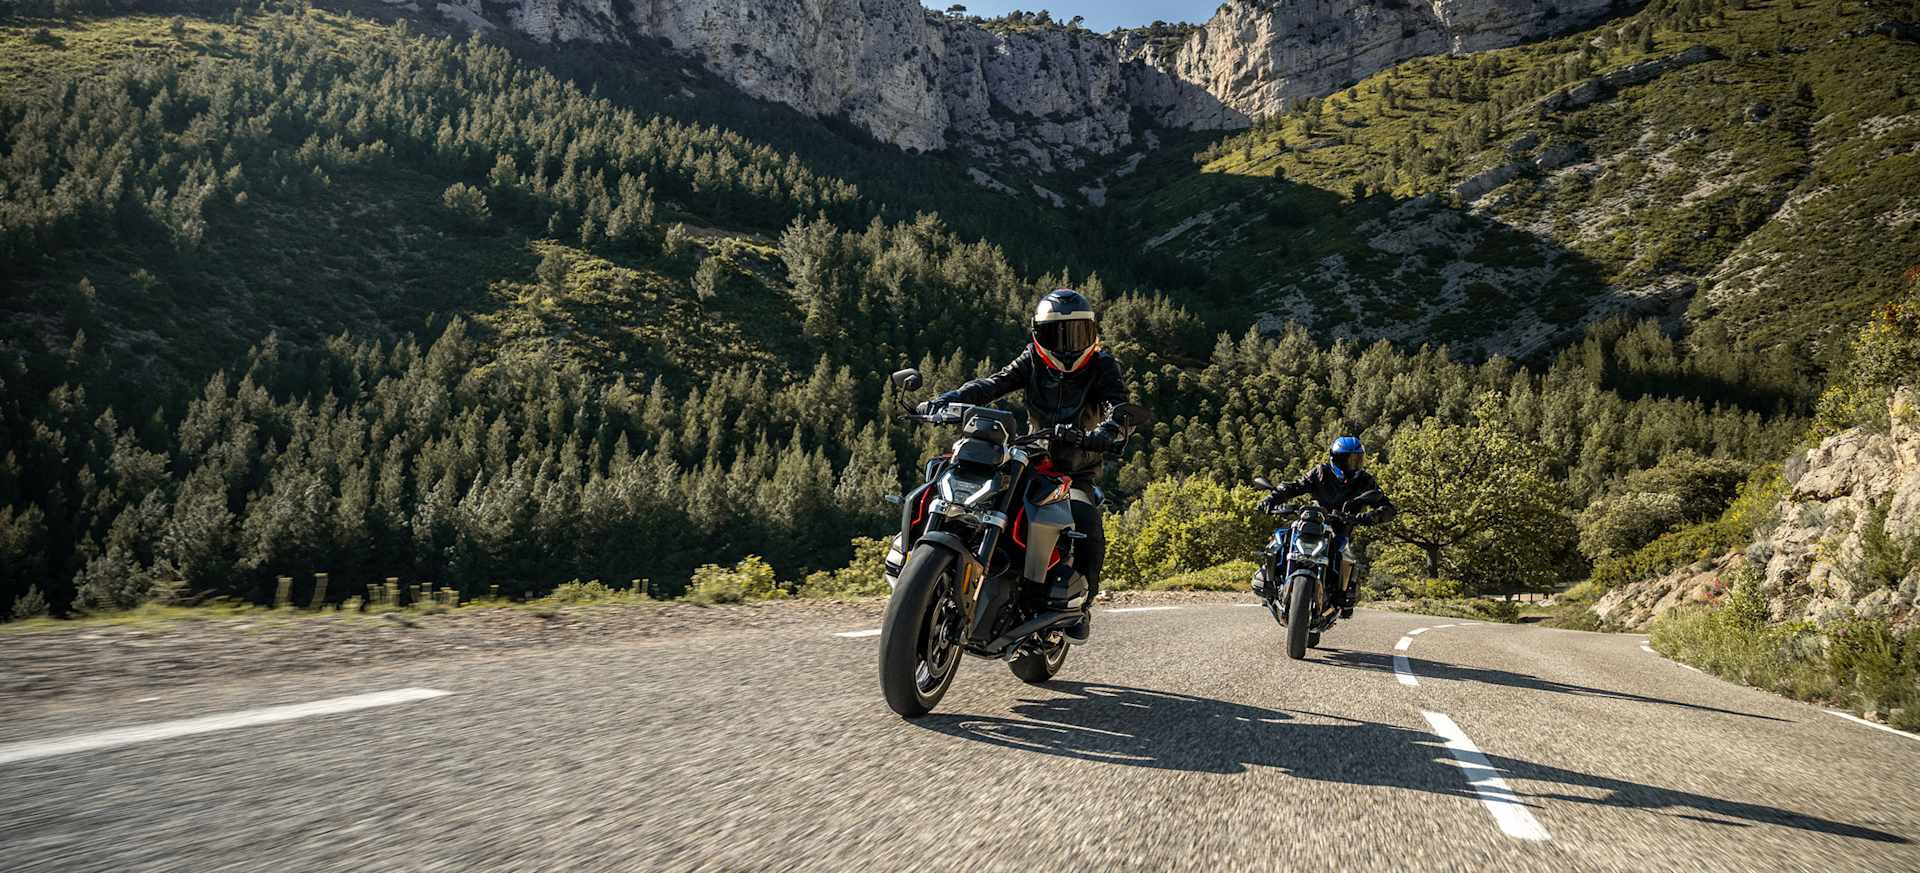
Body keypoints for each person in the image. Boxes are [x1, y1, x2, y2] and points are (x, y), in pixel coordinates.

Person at [915, 289, 1132, 644]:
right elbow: (993, 384)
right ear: (1037, 334)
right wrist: (946, 401)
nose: (1067, 345)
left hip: (1076, 466)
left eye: (1076, 333)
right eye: (1055, 334)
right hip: (1033, 456)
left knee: (1085, 518)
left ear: (1091, 332)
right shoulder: (1032, 359)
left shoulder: (1103, 365)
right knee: (963, 483)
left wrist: (1107, 431)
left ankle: (1084, 603)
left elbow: (1116, 405)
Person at [1262, 436, 1397, 617]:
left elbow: (1387, 507)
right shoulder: (1320, 472)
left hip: (1340, 528)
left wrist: (1366, 517)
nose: (1353, 464)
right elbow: (1296, 486)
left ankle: (1343, 596)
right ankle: (1269, 581)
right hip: (1314, 523)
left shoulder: (1365, 481)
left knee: (1344, 554)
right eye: (1348, 459)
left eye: (1357, 459)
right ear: (1335, 458)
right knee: (1282, 536)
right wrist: (1273, 499)